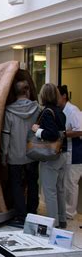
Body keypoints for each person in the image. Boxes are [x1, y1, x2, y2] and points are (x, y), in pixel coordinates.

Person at [1, 80, 40, 227]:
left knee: (16, 184)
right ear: (27, 91)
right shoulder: (37, 108)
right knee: (32, 183)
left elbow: (6, 135)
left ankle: (21, 216)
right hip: (33, 153)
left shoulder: (8, 111)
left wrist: (4, 154)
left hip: (14, 154)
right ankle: (32, 213)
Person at [31, 83, 67, 228]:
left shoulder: (47, 112)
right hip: (62, 154)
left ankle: (53, 224)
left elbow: (51, 135)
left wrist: (37, 130)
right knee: (60, 189)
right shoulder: (61, 112)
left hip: (51, 156)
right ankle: (62, 219)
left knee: (49, 191)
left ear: (43, 95)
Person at [58, 85, 82, 220]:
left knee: (71, 184)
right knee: (66, 183)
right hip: (67, 152)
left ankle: (69, 213)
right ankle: (65, 211)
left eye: (57, 95)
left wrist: (61, 134)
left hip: (75, 153)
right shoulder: (62, 110)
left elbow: (80, 130)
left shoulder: (73, 110)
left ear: (64, 96)